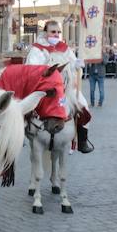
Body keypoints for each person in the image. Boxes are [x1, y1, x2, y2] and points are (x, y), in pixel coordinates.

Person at [26, 19, 93, 153]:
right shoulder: (36, 49)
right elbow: (32, 69)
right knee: (26, 106)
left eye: (58, 32)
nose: (56, 35)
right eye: (52, 32)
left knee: (83, 104)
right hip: (46, 89)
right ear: (45, 32)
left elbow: (72, 65)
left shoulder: (65, 48)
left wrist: (76, 65)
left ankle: (81, 140)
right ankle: (23, 132)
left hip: (65, 88)